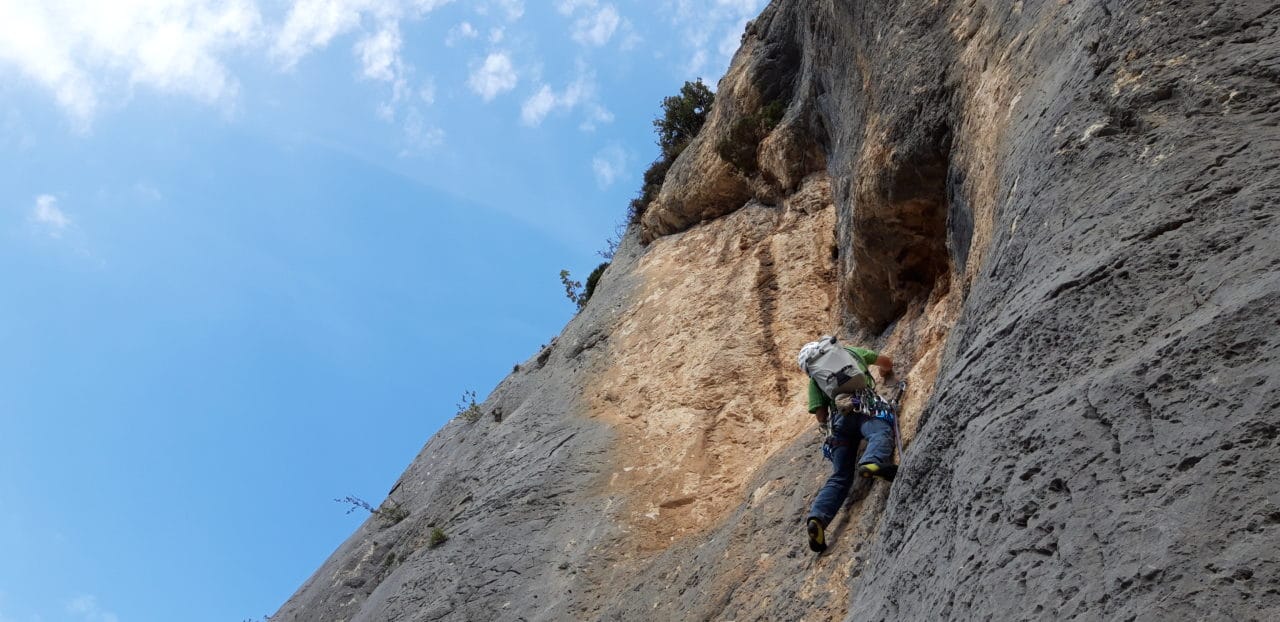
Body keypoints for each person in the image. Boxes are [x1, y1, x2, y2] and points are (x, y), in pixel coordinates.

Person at [797, 340, 896, 553]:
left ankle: (818, 519)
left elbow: (820, 414)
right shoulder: (851, 352)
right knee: (879, 432)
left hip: (841, 424)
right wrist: (886, 372)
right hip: (866, 407)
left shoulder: (816, 378)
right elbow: (885, 361)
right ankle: (872, 462)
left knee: (840, 475)